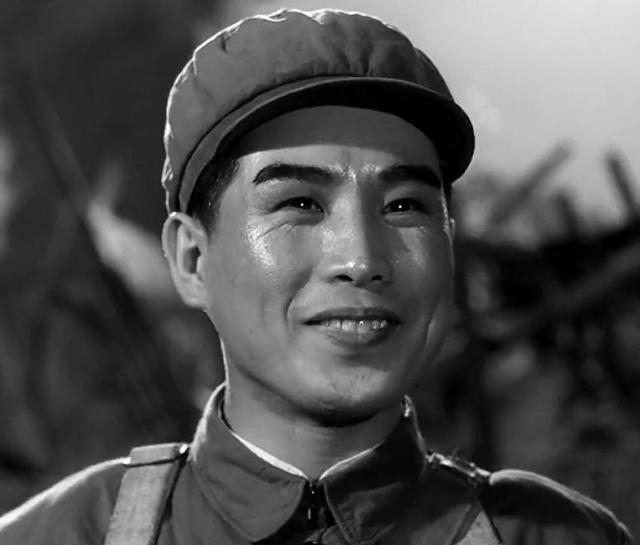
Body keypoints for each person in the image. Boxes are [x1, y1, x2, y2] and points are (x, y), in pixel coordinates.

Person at [0, 8, 634, 545]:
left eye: (404, 206)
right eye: (299, 203)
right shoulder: (65, 534)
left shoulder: (553, 535)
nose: (360, 258)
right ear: (191, 259)